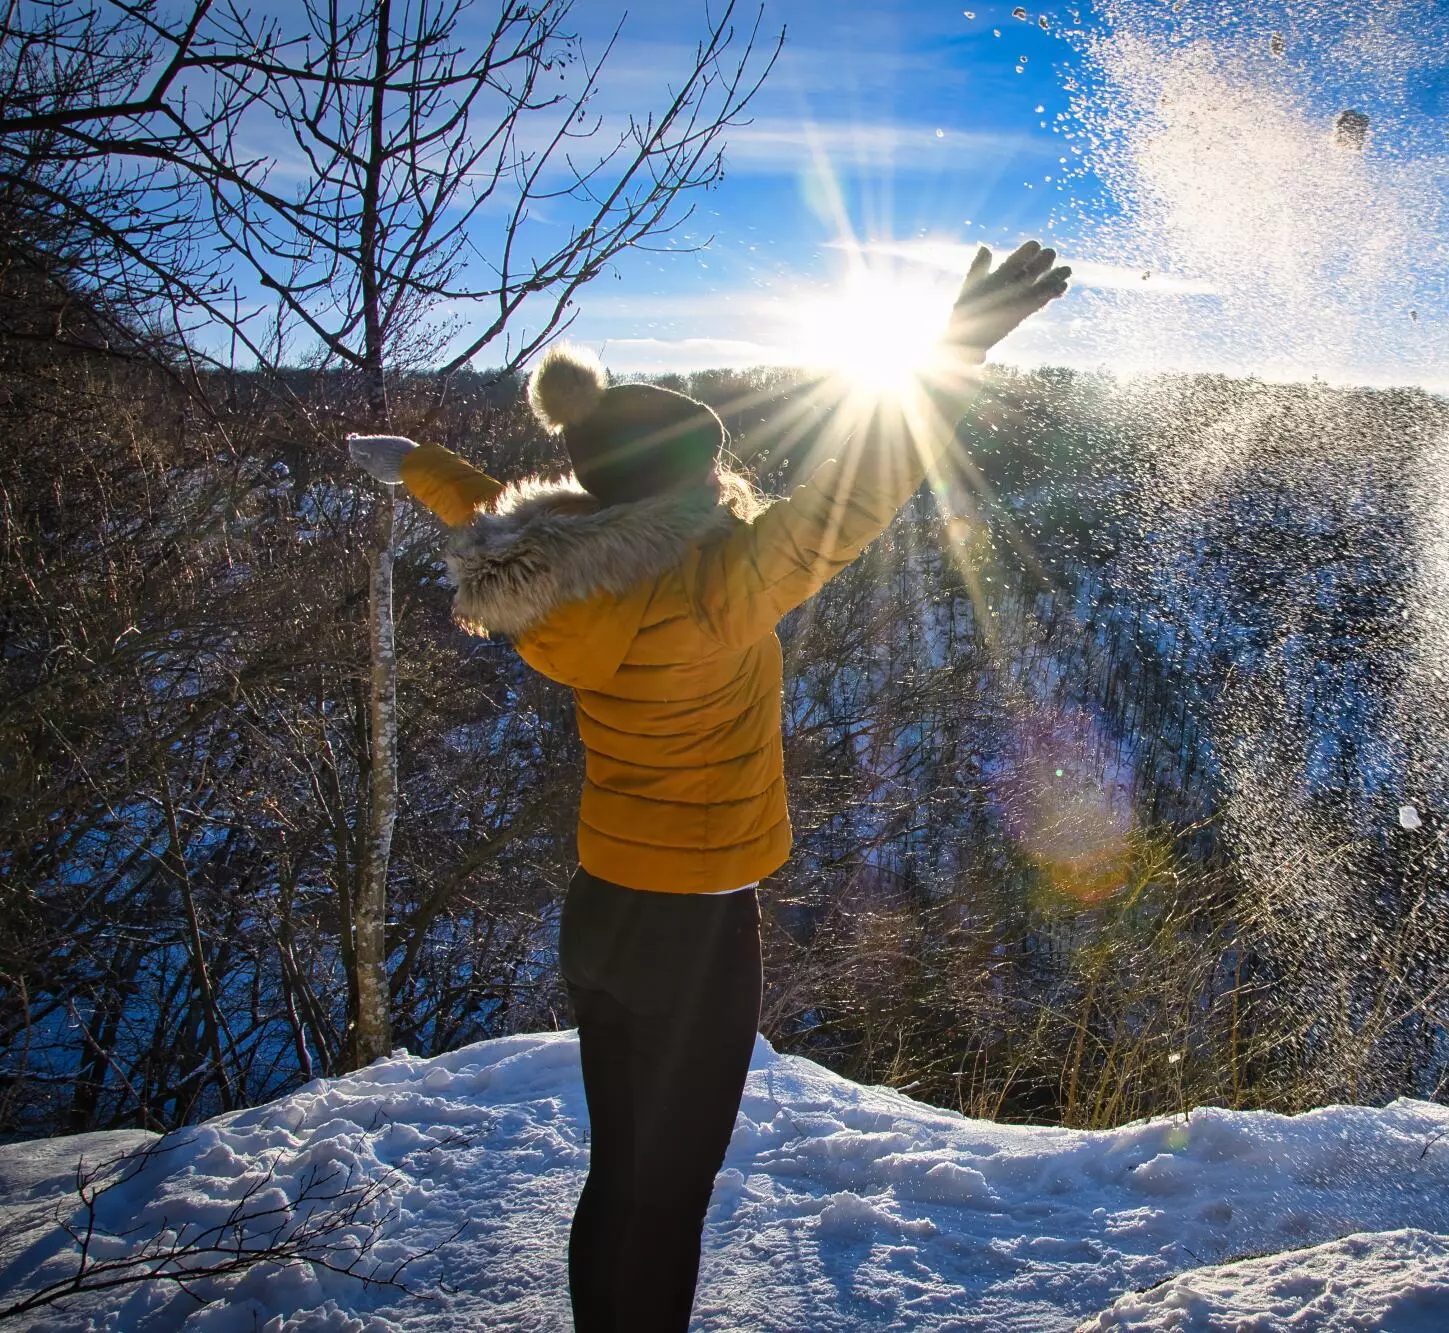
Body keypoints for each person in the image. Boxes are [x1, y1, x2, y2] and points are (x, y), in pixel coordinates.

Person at [346, 241, 1070, 1332]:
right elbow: (852, 494)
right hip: (695, 931)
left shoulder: (552, 567)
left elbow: (489, 507)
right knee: (669, 1198)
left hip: (601, 915)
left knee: (620, 1178)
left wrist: (414, 462)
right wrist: (954, 343)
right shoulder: (716, 586)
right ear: (687, 481)